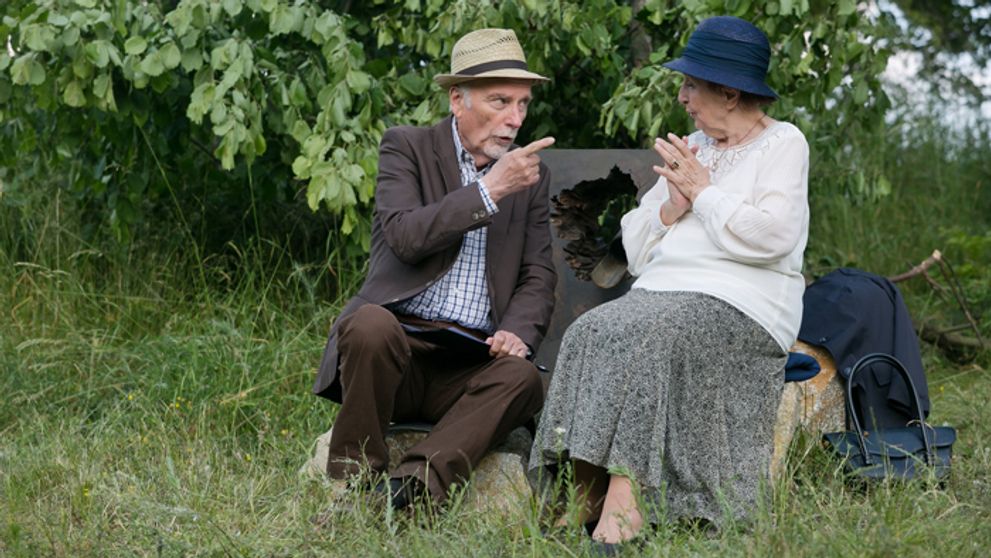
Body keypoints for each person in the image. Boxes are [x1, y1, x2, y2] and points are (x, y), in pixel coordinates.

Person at [529, 16, 809, 548]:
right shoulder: (694, 148)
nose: (681, 96)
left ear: (729, 93)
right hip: (660, 293)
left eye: (691, 84)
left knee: (654, 335)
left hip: (744, 303)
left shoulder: (783, 144)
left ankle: (624, 503)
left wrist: (704, 195)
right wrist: (672, 208)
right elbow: (634, 245)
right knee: (592, 331)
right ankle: (582, 487)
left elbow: (774, 236)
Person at [312, 28, 557, 510]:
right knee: (368, 325)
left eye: (523, 105)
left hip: (467, 365)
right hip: (395, 355)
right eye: (501, 102)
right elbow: (405, 236)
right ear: (457, 100)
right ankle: (352, 479)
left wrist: (516, 331)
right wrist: (489, 192)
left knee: (523, 379)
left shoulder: (532, 175)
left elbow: (538, 274)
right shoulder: (406, 147)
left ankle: (411, 488)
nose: (515, 120)